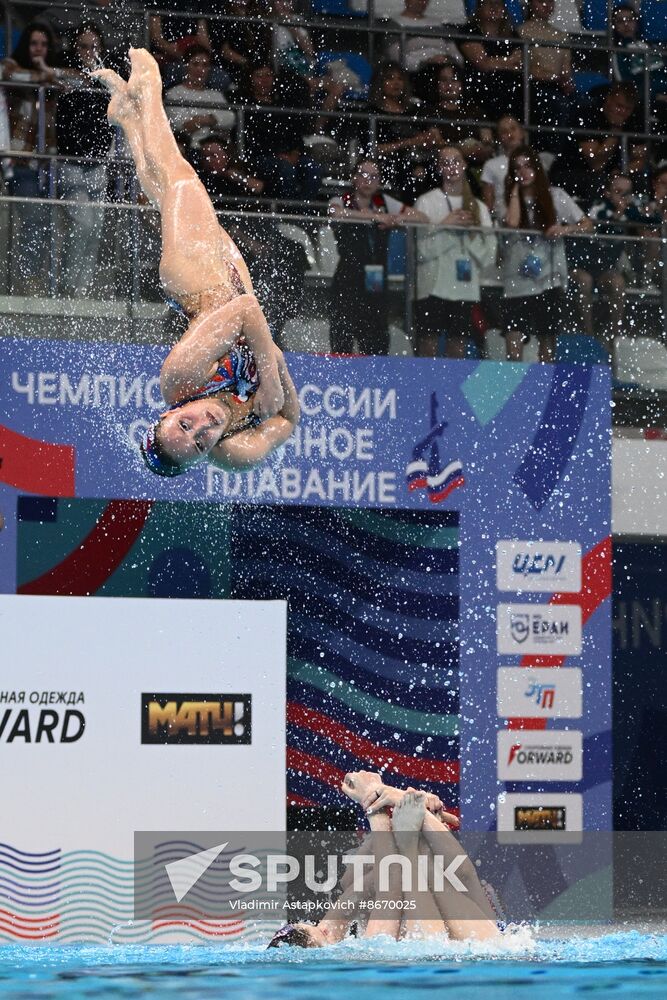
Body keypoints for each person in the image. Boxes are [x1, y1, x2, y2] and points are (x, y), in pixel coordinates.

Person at [94, 48, 299, 477]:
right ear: (209, 455)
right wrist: (278, 373)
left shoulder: (180, 377)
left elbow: (245, 312)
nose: (203, 427)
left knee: (180, 176)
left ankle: (147, 89)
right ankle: (128, 118)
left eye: (185, 424)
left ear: (172, 412)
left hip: (195, 279)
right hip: (229, 279)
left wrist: (272, 376)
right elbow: (287, 422)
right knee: (164, 189)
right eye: (201, 441)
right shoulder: (238, 453)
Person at [267, 771, 501, 948]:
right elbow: (395, 876)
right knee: (422, 868)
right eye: (322, 932)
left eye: (319, 926)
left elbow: (360, 884)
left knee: (357, 881)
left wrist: (403, 805)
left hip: (462, 952)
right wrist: (376, 804)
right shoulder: (371, 955)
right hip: (459, 953)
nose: (326, 926)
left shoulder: (344, 950)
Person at [501, 144, 593, 362]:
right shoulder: (507, 200)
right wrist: (515, 191)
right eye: (516, 168)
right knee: (514, 340)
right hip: (517, 279)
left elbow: (587, 224)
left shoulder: (556, 196)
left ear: (537, 168)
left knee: (547, 341)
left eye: (527, 166)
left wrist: (566, 228)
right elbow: (512, 223)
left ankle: (543, 388)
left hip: (548, 277)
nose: (522, 172)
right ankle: (515, 387)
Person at [328, 158, 428, 355]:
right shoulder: (343, 200)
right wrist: (374, 217)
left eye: (374, 176)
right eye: (364, 175)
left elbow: (421, 217)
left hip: (376, 281)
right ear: (354, 178)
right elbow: (335, 213)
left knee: (377, 336)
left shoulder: (383, 202)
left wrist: (396, 220)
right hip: (348, 276)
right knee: (342, 335)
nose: (368, 181)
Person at [414, 145, 496, 358]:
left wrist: (468, 234)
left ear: (465, 165)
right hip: (432, 287)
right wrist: (446, 227)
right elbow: (421, 252)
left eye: (456, 161)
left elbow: (488, 255)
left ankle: (448, 391)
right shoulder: (426, 202)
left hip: (464, 287)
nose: (451, 167)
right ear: (439, 168)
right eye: (445, 162)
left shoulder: (478, 207)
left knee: (457, 348)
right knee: (428, 347)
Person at [56, 22, 115, 297]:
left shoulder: (108, 78)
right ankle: (68, 285)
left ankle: (81, 289)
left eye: (94, 46)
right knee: (84, 224)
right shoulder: (67, 77)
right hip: (71, 164)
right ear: (75, 48)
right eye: (84, 46)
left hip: (98, 165)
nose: (89, 51)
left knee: (97, 228)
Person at [551, 81, 640, 208]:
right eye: (619, 106)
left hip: (609, 173)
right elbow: (596, 163)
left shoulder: (633, 118)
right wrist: (615, 130)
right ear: (609, 99)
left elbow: (640, 158)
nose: (622, 112)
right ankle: (596, 221)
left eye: (627, 109)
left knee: (638, 179)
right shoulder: (587, 114)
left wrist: (621, 172)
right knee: (598, 180)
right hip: (571, 171)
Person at [458, 0, 524, 122]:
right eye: (489, 3)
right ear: (479, 7)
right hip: (480, 83)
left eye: (498, 3)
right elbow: (482, 63)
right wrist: (508, 61)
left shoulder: (513, 35)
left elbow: (518, 64)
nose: (494, 7)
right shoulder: (470, 31)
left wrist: (494, 62)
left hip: (510, 86)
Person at [517, 0, 574, 134]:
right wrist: (553, 78)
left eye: (550, 1)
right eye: (541, 1)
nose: (546, 5)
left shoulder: (561, 36)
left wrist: (565, 82)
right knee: (557, 105)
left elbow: (566, 70)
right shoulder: (521, 32)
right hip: (533, 86)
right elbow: (524, 69)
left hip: (558, 86)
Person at [164, 45, 235, 144]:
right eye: (195, 64)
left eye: (205, 65)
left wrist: (201, 120)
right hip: (191, 147)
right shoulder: (174, 93)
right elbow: (181, 126)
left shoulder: (217, 95)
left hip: (219, 148)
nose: (200, 69)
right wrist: (214, 121)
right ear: (186, 66)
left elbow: (230, 119)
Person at [386, 0, 464, 75]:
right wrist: (425, 63)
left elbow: (456, 55)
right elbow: (397, 57)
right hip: (417, 73)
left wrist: (449, 60)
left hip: (444, 70)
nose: (421, 1)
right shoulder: (395, 25)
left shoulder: (438, 24)